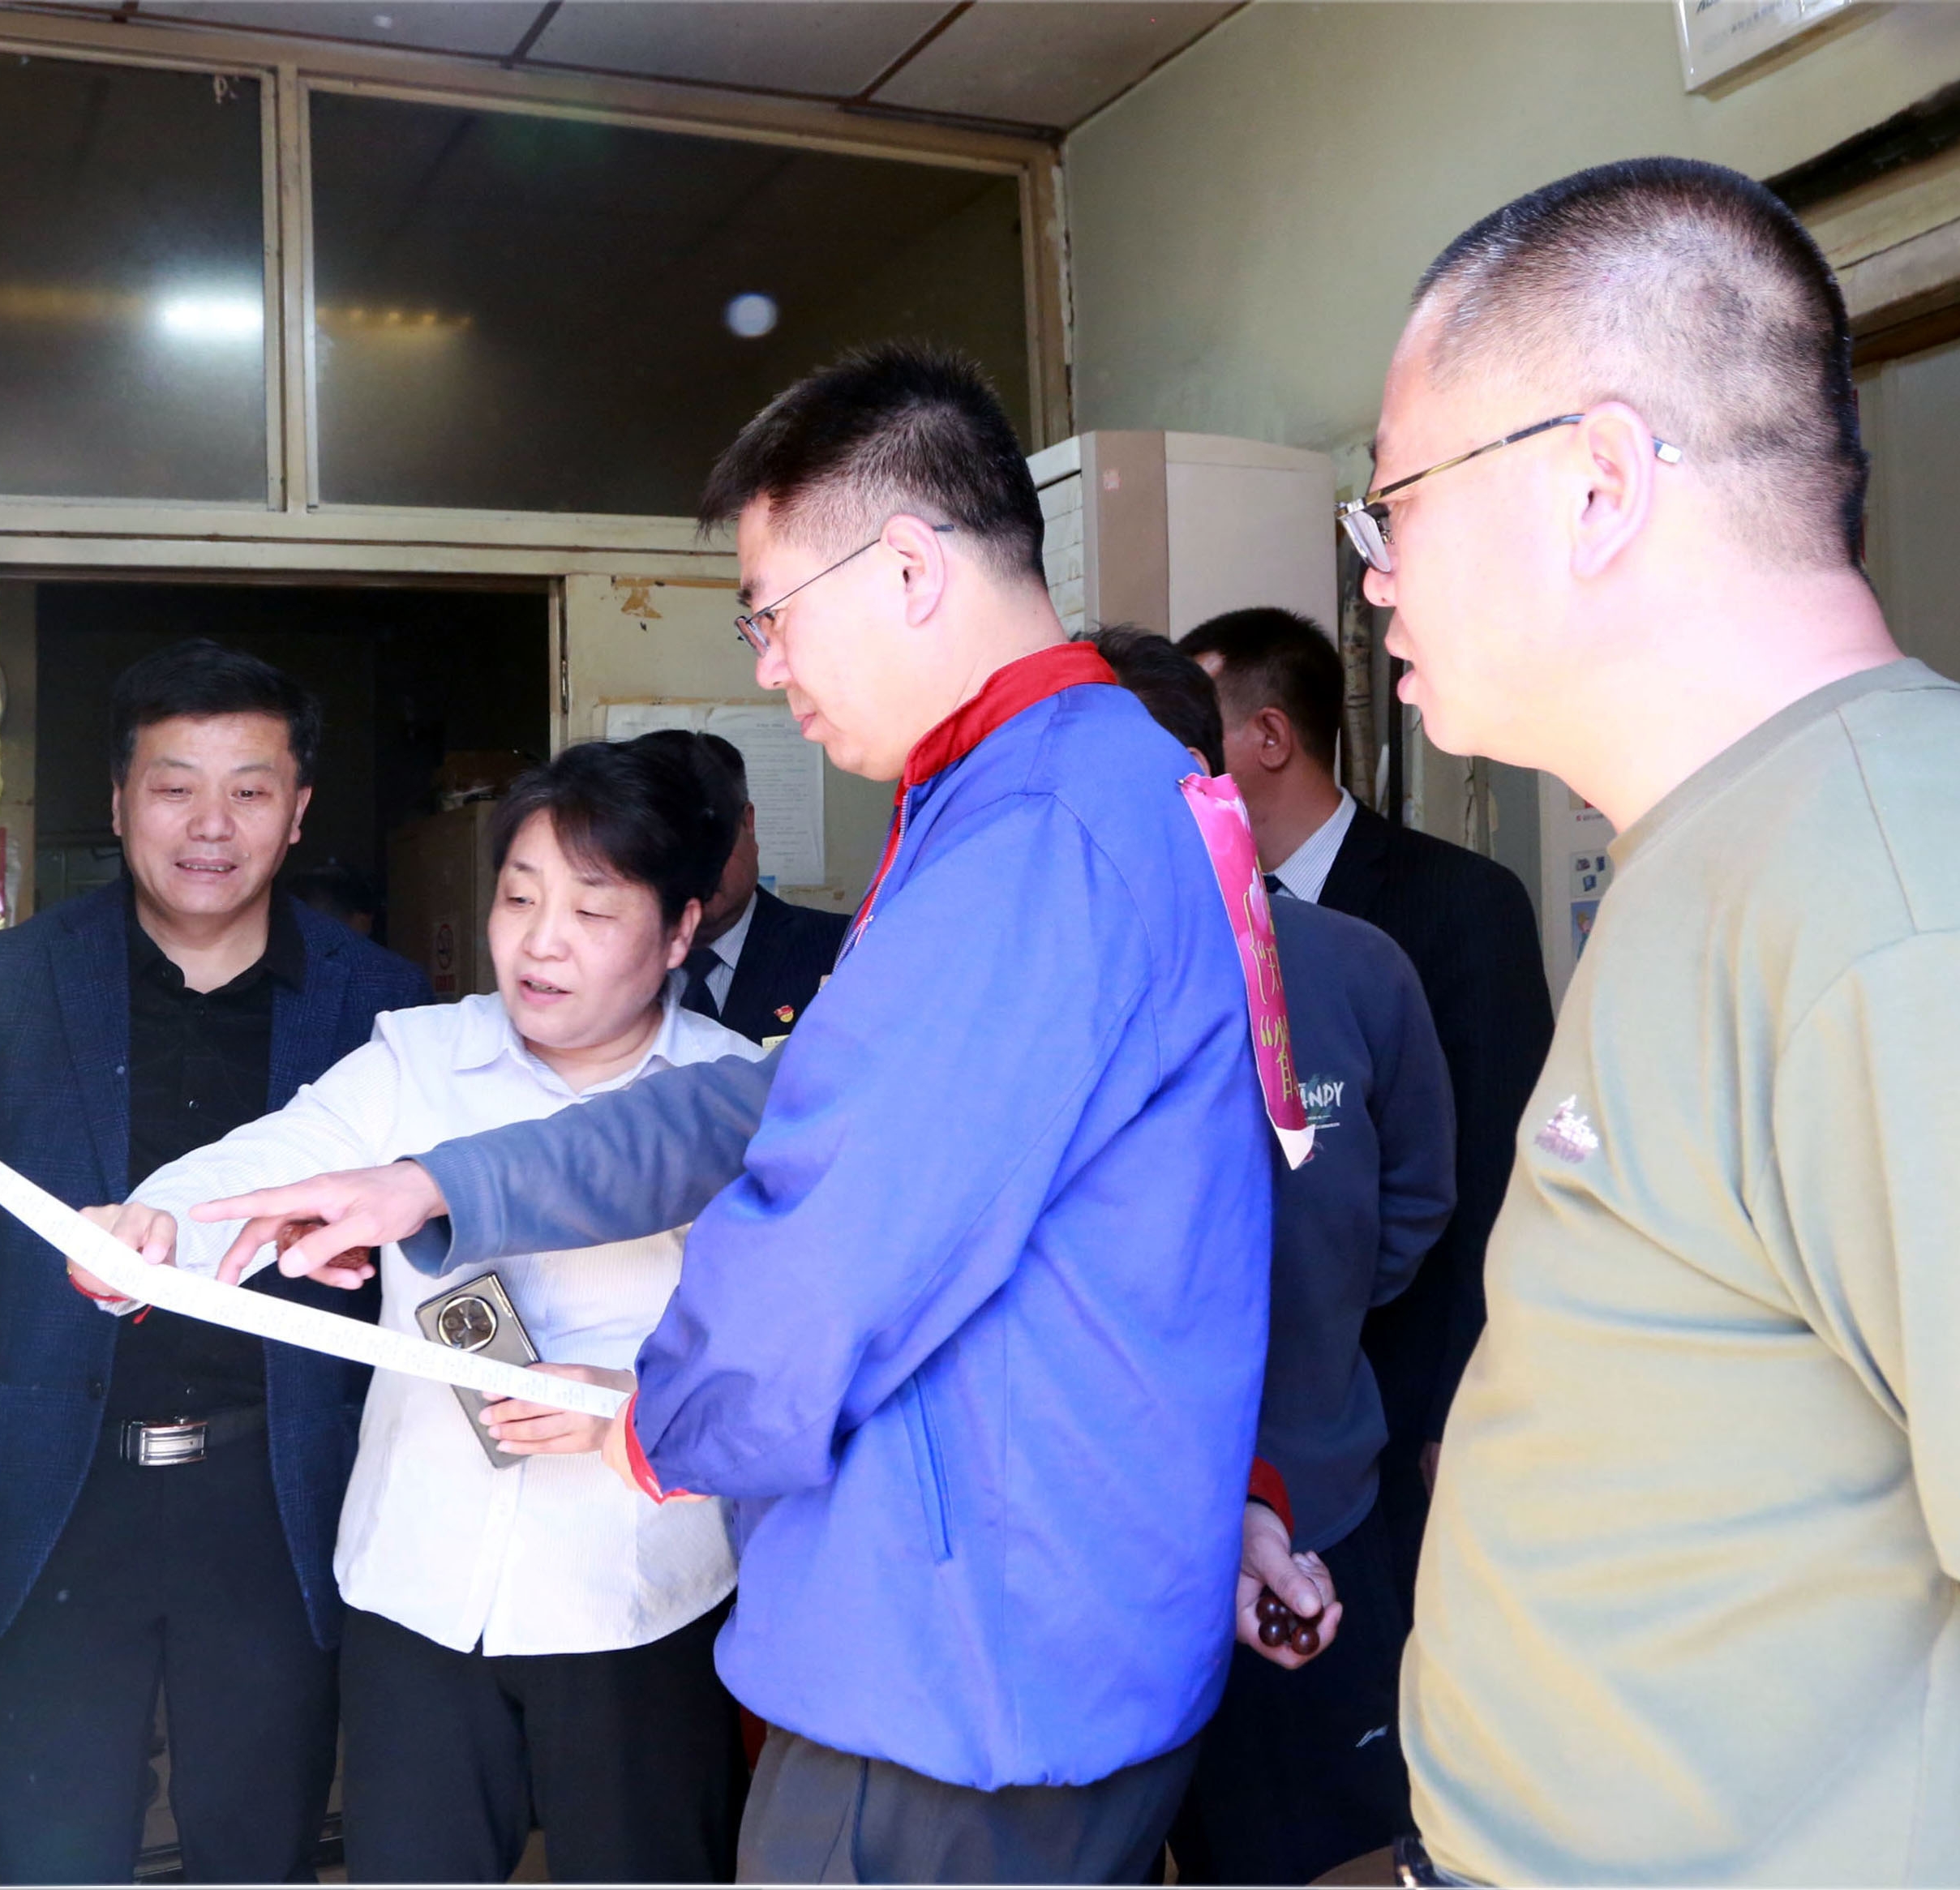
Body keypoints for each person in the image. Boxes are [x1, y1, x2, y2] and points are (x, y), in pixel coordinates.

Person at [179, 346, 1277, 1884]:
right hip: (996, 1617)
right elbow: (790, 1103)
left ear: (907, 568)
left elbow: (836, 1233)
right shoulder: (1042, 790)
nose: (766, 667)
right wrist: (433, 1183)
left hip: (962, 1661)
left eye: (770, 612)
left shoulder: (1033, 832)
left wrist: (653, 1417)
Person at [1345, 157, 1960, 1884]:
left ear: (1598, 483)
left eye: (1394, 501)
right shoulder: (1732, 847)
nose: (1378, 574)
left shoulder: (1915, 896)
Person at [79, 738, 763, 1884]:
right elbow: (278, 1156)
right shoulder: (418, 1056)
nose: (541, 941)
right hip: (418, 1589)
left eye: (593, 909)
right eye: (519, 897)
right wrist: (156, 1224)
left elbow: (780, 1347)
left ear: (680, 930)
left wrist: (641, 1403)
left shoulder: (733, 1096)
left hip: (637, 1598)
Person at [0, 640, 427, 1884]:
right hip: (54, 1493)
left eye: (250, 788)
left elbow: (420, 1246)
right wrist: (43, 1324)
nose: (211, 824)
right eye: (174, 786)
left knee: (258, 1847)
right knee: (53, 1851)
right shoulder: (8, 981)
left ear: (298, 809)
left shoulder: (378, 1002)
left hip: (276, 1495)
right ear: (119, 802)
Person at [1087, 627, 1457, 1884]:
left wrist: (1312, 1303)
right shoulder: (1054, 985)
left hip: (1317, 1502)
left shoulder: (1346, 964)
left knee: (1314, 1850)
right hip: (1108, 1531)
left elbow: (1416, 1194)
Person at [1178, 605, 1553, 1596]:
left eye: (1196, 731)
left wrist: (1456, 1406)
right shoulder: (1193, 928)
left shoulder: (1460, 902)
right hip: (1257, 1426)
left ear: (1269, 736)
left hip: (1410, 1394)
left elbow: (1492, 1176)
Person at [626, 727, 847, 1040]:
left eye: (712, 839)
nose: (697, 865)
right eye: (671, 844)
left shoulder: (842, 951)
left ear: (747, 823)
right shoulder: (602, 965)